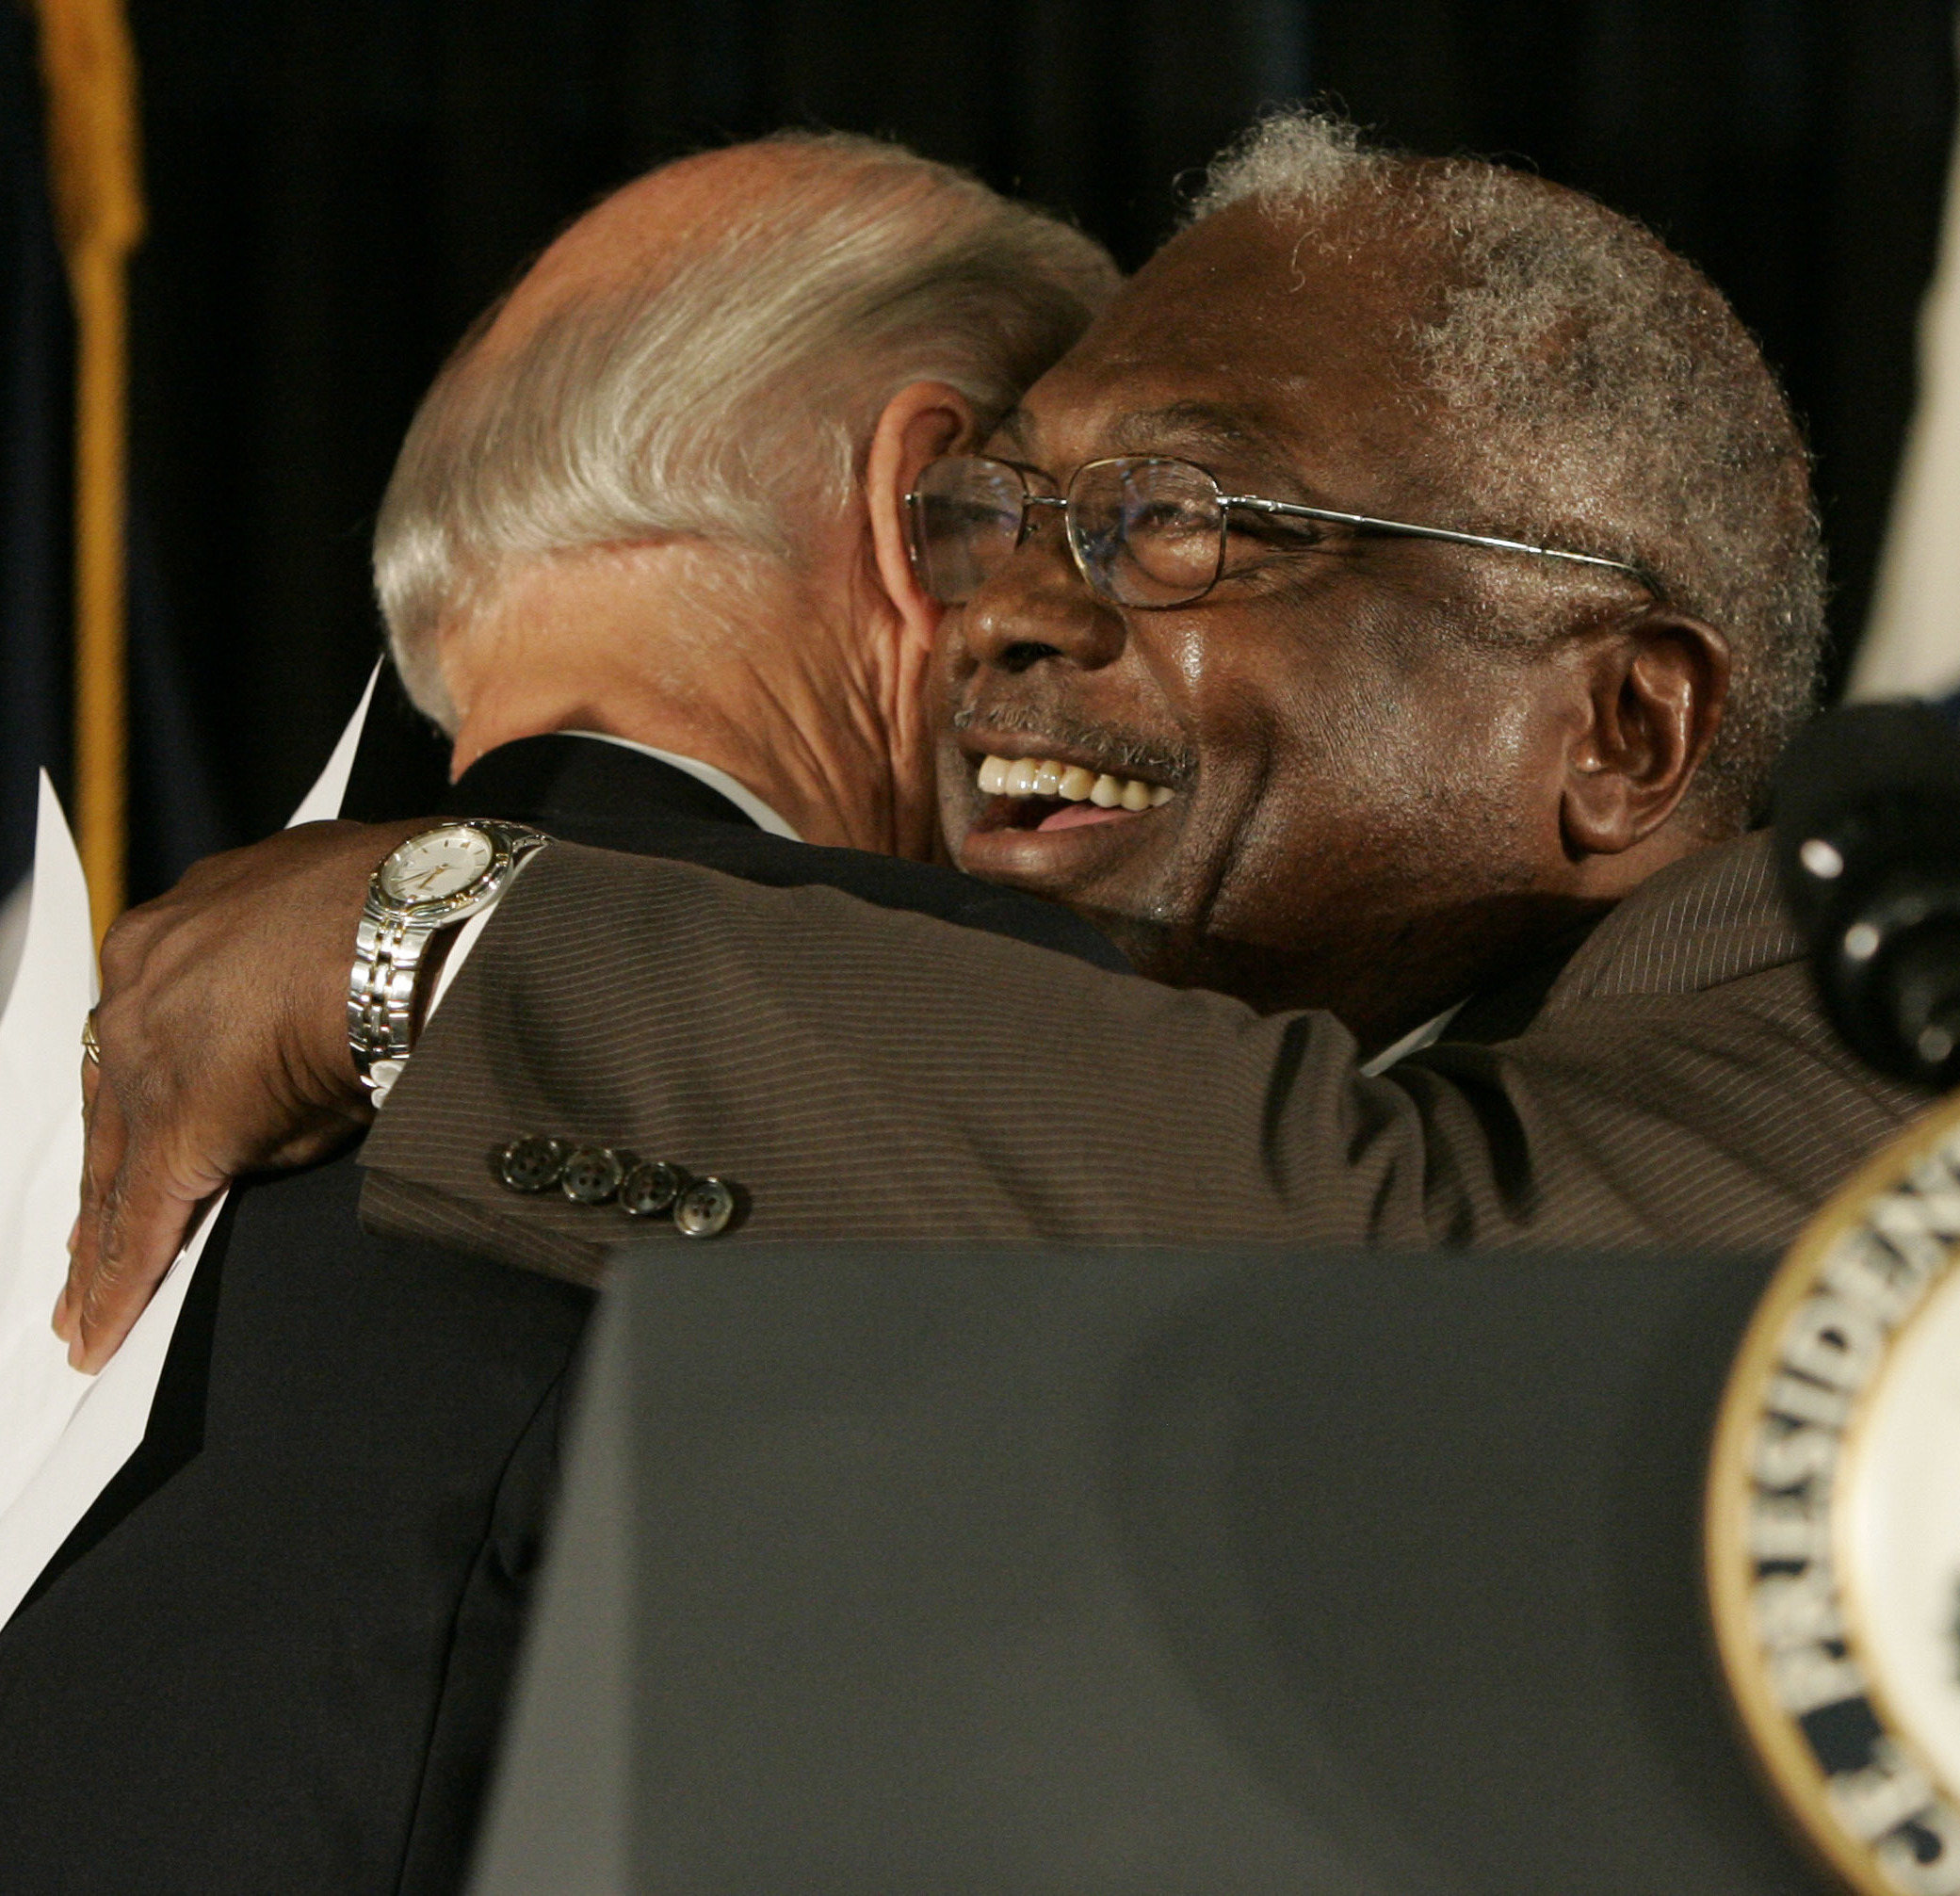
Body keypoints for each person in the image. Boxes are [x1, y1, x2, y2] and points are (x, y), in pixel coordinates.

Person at [64, 110, 1960, 1354]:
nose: (996, 608)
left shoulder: (1944, 977)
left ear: (1621, 731)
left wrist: (447, 945)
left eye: (1170, 518)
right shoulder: (1064, 1137)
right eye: (994, 509)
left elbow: (1421, 1292)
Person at [0, 133, 1121, 1896]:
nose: (1113, 638)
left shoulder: (87, 1080)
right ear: (923, 511)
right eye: (1089, 530)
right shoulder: (976, 1049)